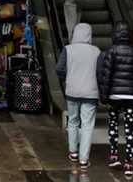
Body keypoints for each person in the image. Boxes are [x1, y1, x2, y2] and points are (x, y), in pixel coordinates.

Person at [98, 22, 133, 177]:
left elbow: (106, 75)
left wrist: (104, 95)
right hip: (132, 96)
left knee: (113, 123)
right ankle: (129, 162)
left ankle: (114, 155)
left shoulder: (111, 51)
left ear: (115, 34)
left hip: (115, 95)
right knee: (129, 128)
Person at [56, 23, 100, 170]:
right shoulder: (96, 51)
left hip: (72, 92)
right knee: (87, 125)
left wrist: (67, 79)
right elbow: (100, 73)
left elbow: (59, 69)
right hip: (90, 93)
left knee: (73, 121)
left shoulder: (68, 50)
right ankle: (83, 160)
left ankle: (73, 152)